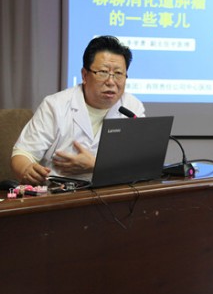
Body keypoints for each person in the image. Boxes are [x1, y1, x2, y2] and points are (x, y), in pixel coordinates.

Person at [11, 35, 145, 185]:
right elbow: (22, 154)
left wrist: (95, 165)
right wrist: (26, 169)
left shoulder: (132, 107)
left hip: (113, 191)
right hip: (59, 192)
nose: (111, 81)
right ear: (85, 75)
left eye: (118, 74)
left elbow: (141, 163)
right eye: (103, 72)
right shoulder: (56, 105)